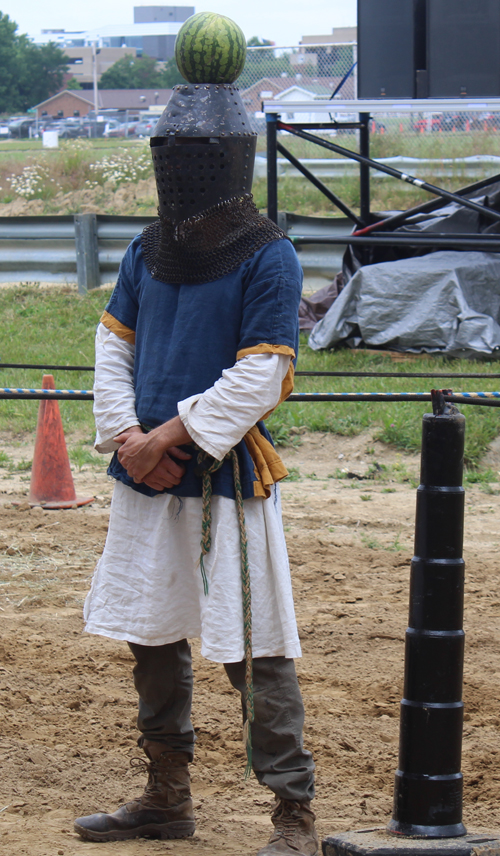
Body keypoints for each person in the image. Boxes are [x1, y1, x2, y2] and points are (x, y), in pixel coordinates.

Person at [73, 76, 317, 856]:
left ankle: (293, 814)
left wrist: (165, 437)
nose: (180, 164)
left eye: (194, 152)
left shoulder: (269, 254)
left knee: (253, 644)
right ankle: (166, 795)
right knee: (151, 631)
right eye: (170, 150)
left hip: (222, 480)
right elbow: (114, 346)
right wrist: (125, 438)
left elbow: (262, 374)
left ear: (228, 159)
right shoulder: (150, 250)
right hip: (145, 475)